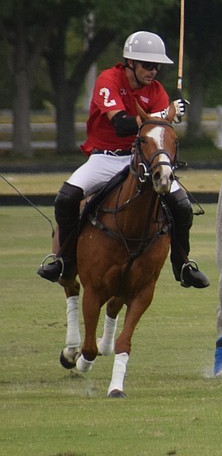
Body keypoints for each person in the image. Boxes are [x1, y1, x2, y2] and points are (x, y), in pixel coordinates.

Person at [37, 31, 210, 288]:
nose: (153, 71)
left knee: (182, 206)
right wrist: (165, 112)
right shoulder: (108, 79)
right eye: (148, 65)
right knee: (67, 197)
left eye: (157, 66)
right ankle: (64, 259)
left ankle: (182, 264)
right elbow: (120, 124)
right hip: (104, 158)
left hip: (139, 158)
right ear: (130, 62)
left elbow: (156, 131)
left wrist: (168, 117)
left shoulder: (157, 91)